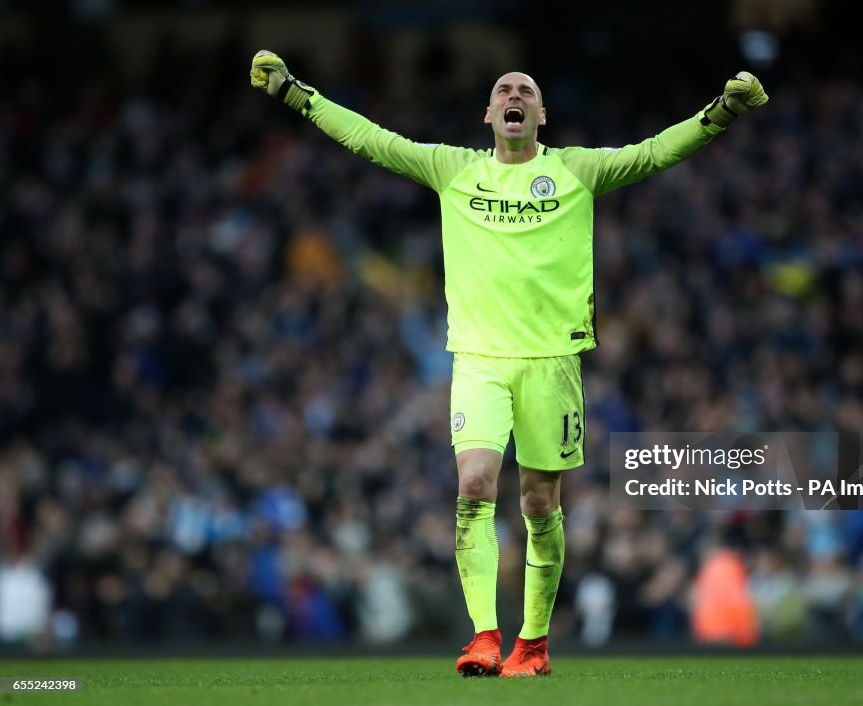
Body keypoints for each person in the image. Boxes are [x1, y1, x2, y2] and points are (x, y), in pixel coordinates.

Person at [250, 50, 767, 676]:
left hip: (553, 360)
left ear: (541, 114)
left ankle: (534, 644)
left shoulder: (576, 171)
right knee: (473, 485)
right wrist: (294, 93)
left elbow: (655, 152)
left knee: (540, 505)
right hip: (478, 360)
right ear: (489, 112)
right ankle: (484, 638)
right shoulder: (453, 170)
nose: (514, 93)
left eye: (526, 88)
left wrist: (721, 113)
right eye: (503, 88)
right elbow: (369, 139)